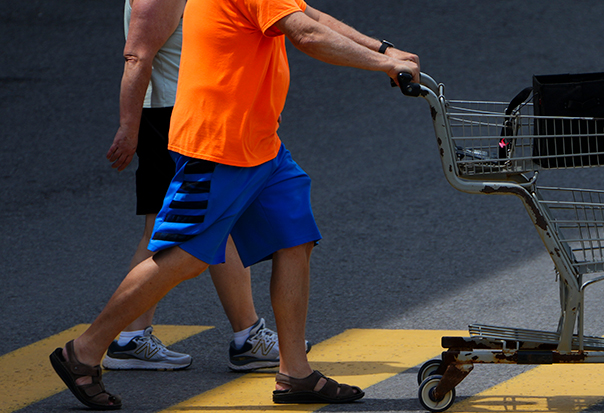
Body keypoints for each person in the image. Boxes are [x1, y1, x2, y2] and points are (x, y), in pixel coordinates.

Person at [49, 0, 420, 409]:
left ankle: (294, 373)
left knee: (295, 238)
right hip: (217, 146)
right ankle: (82, 352)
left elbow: (309, 16)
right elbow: (307, 35)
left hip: (261, 146)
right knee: (186, 256)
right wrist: (383, 65)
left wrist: (383, 50)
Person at [102, 0, 304, 372]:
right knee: (181, 230)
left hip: (189, 112)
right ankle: (122, 338)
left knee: (208, 225)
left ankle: (245, 335)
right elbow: (137, 56)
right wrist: (129, 127)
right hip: (173, 116)